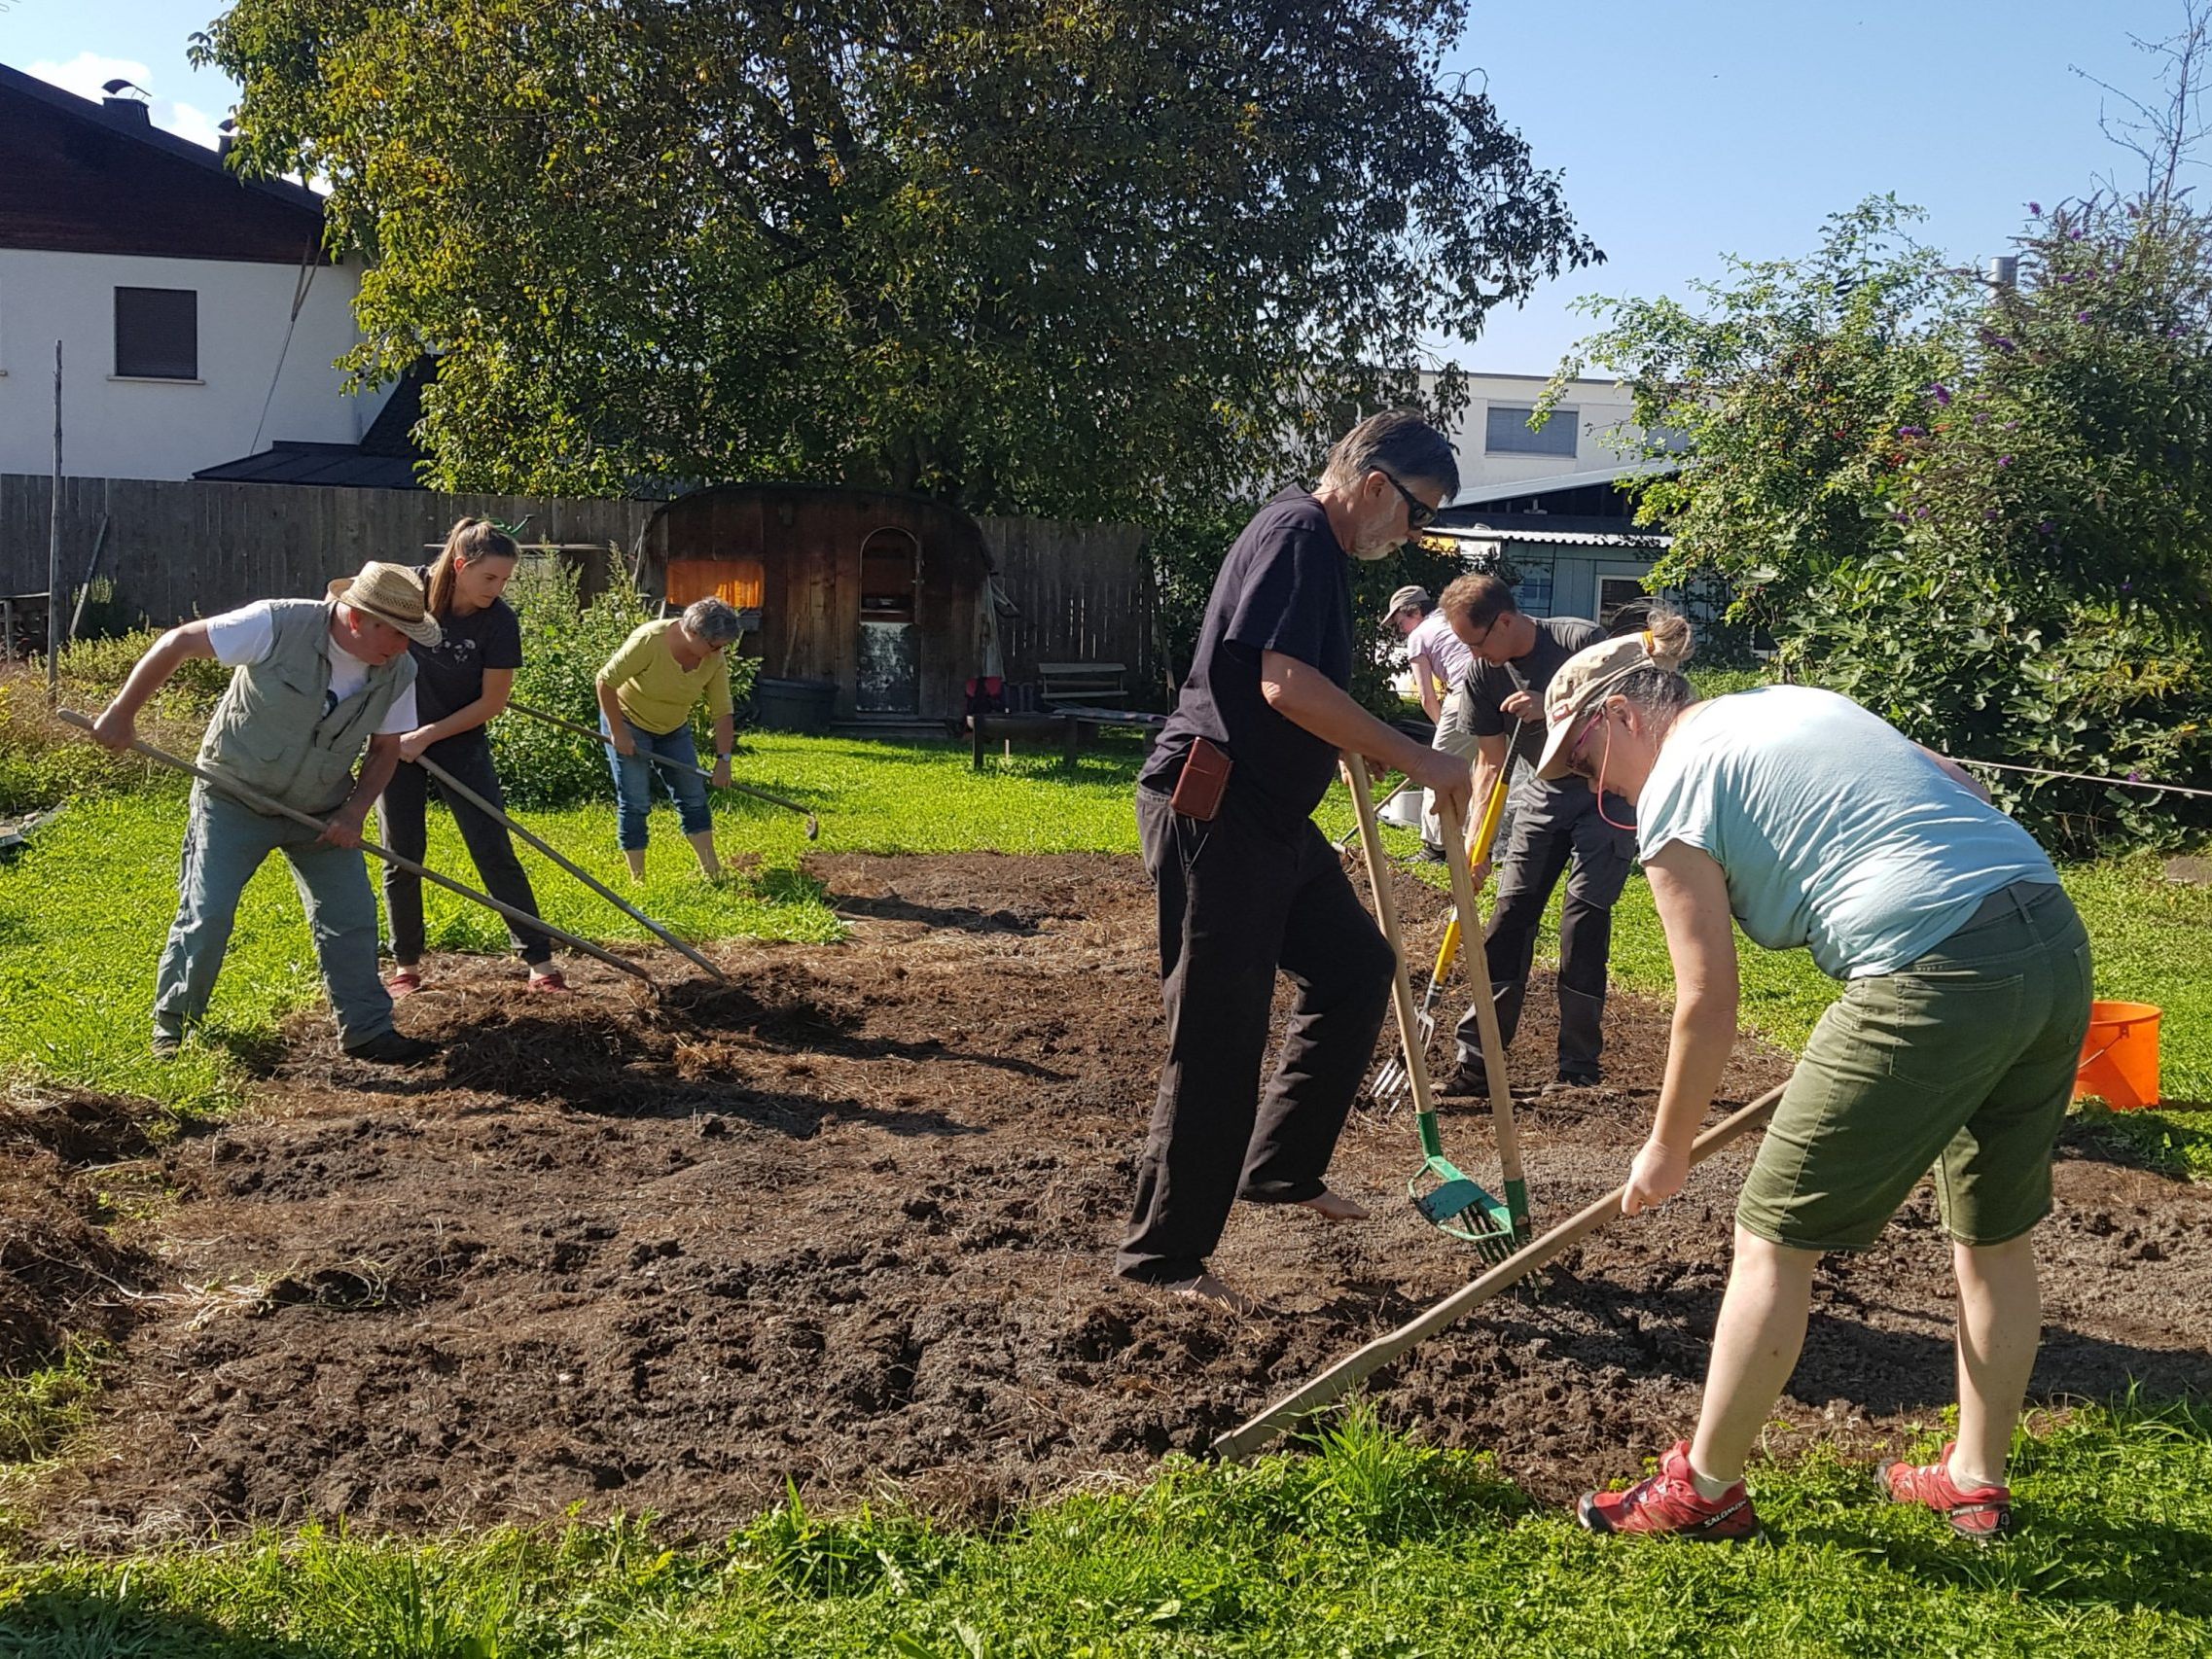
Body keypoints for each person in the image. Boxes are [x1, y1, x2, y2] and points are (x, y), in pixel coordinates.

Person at [1540, 618, 2090, 1543]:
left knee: (1770, 1238)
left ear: (1623, 715)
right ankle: (1974, 1480)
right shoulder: (1792, 702)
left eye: (1589, 764)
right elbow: (1962, 784)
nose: (1602, 791)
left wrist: (1667, 1149)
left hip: (1930, 972)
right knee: (1994, 1234)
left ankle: (1703, 1492)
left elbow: (1706, 1001)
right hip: (2049, 941)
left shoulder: (1674, 791)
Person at [1121, 410, 1474, 1313]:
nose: (1414, 537)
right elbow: (1285, 685)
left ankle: (1279, 1167)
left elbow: (1292, 692)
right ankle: (1163, 1261)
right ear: (1374, 485)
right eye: (1418, 514)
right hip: (1217, 809)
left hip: (1269, 816)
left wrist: (1365, 738)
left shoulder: (1316, 545)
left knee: (1355, 967)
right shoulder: (1298, 533)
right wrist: (1418, 757)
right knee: (1218, 1032)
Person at [89, 562, 446, 1066]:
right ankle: (174, 1033)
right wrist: (122, 713)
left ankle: (368, 1032)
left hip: (321, 811)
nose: (404, 646)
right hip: (233, 797)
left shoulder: (399, 670)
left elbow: (385, 749)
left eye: (411, 635)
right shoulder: (275, 625)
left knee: (351, 917)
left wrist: (354, 812)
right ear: (356, 618)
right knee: (208, 914)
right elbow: (178, 643)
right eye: (396, 633)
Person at [1436, 573, 1633, 1091]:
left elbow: (1627, 716)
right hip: (1543, 796)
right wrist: (1476, 843)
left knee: (1583, 920)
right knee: (1510, 915)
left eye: (1476, 642)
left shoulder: (1580, 641)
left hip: (1607, 793)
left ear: (1504, 621)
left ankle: (1578, 1069)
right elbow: (1489, 763)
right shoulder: (1483, 674)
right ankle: (1478, 1063)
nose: (1472, 655)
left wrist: (1550, 705)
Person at [377, 518, 566, 997]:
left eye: (505, 580)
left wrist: (428, 734)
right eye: (489, 577)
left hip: (458, 738)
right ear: (460, 565)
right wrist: (395, 733)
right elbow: (347, 606)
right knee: (402, 854)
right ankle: (406, 966)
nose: (497, 588)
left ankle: (539, 962)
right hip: (394, 740)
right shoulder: (408, 590)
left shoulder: (498, 621)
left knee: (492, 846)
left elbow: (492, 702)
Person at [595, 597, 741, 880]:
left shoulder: (714, 658)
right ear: (692, 632)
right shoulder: (650, 640)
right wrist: (618, 732)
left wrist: (724, 759)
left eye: (722, 647)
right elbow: (605, 681)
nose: (717, 652)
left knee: (693, 795)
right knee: (635, 800)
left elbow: (722, 710)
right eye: (714, 646)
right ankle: (638, 879)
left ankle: (712, 870)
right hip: (629, 722)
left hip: (673, 729)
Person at [1386, 583, 1479, 863]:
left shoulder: (1419, 635)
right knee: (1481, 772)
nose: (1402, 631)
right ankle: (1478, 843)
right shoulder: (1452, 620)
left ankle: (1435, 848)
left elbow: (1426, 697)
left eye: (1400, 623)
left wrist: (1444, 729)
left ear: (1414, 612)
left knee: (1435, 768)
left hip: (1466, 694)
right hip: (1497, 692)